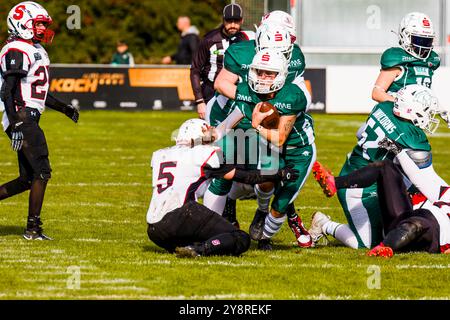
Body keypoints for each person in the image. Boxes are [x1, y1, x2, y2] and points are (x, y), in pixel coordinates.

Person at [308, 84, 448, 249]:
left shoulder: (383, 107)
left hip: (356, 169)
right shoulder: (411, 137)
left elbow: (360, 133)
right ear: (411, 109)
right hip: (362, 189)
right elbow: (426, 183)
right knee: (366, 244)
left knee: (396, 222)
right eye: (426, 110)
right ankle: (324, 224)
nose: (429, 116)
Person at [210, 49, 315, 250]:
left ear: (281, 74)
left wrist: (257, 126)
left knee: (281, 203)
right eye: (260, 71)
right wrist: (201, 138)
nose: (263, 77)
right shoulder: (247, 92)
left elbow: (280, 138)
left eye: (270, 73)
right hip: (269, 146)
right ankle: (260, 212)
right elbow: (225, 126)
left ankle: (266, 237)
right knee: (265, 180)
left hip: (297, 150)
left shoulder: (291, 95)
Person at [146, 118, 298, 257]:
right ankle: (200, 250)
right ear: (198, 136)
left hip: (154, 229)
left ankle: (191, 246)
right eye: (206, 132)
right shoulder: (203, 153)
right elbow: (245, 176)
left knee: (209, 233)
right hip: (181, 216)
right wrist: (279, 174)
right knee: (240, 238)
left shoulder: (160, 154)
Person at [0, 2, 79, 240]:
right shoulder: (16, 48)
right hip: (21, 116)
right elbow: (7, 90)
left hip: (28, 115)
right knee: (42, 172)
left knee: (28, 178)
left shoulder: (35, 49)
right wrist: (15, 124)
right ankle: (33, 229)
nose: (43, 28)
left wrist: (64, 108)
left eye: (44, 24)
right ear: (22, 23)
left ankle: (32, 228)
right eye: (39, 23)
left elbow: (39, 93)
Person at [310, 159, 450, 256]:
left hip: (431, 231)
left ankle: (383, 248)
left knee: (416, 225)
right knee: (385, 167)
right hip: (408, 214)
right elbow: (422, 185)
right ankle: (334, 183)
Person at [190, 3, 247, 119]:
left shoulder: (246, 39)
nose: (232, 25)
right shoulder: (209, 40)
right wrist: (200, 101)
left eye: (236, 21)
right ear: (223, 20)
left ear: (242, 21)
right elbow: (195, 70)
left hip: (235, 92)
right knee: (211, 133)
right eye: (229, 21)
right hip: (210, 93)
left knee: (236, 133)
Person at [372, 12, 440, 103]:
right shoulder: (397, 59)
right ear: (405, 36)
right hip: (393, 113)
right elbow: (377, 93)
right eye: (418, 40)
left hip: (416, 115)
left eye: (427, 41)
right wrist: (402, 104)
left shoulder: (431, 60)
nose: (423, 46)